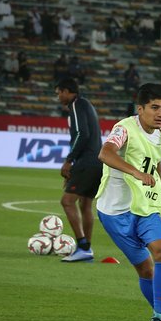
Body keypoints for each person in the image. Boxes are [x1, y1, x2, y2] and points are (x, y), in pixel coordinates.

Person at [94, 83, 161, 321]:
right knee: (146, 271)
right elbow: (105, 153)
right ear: (140, 109)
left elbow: (156, 160)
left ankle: (158, 315)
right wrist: (137, 173)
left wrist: (156, 185)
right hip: (115, 212)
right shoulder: (124, 129)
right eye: (154, 107)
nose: (160, 113)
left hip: (145, 206)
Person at [56, 78, 101, 262]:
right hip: (97, 161)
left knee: (67, 201)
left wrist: (69, 161)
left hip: (87, 161)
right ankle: (86, 250)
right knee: (85, 204)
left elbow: (82, 134)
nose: (58, 97)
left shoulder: (76, 105)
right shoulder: (86, 105)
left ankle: (83, 246)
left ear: (67, 91)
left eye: (59, 93)